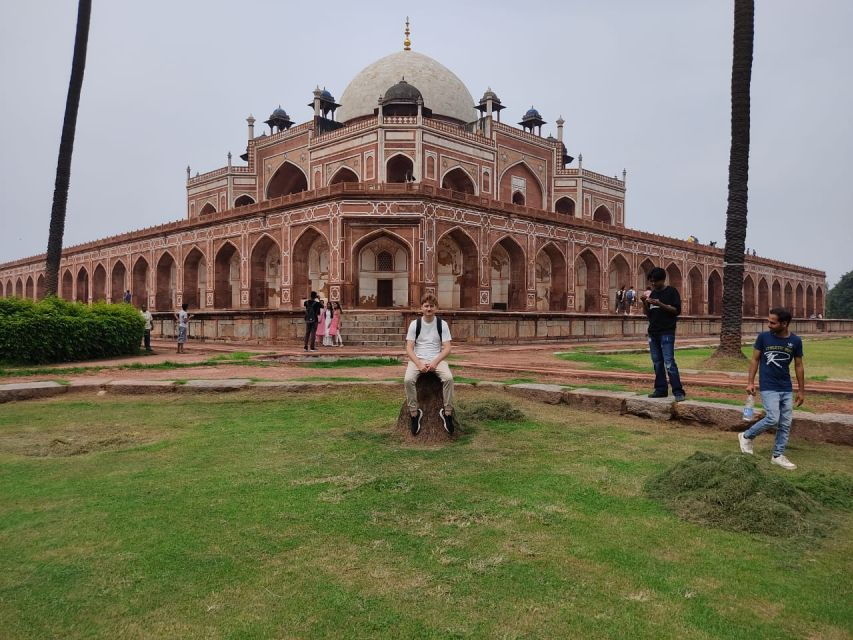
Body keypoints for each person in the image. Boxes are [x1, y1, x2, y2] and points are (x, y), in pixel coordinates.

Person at [738, 307, 805, 470]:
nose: (768, 325)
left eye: (772, 323)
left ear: (784, 324)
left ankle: (777, 455)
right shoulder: (763, 337)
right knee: (773, 418)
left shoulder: (795, 341)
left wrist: (801, 390)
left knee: (785, 423)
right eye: (768, 321)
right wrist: (750, 382)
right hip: (768, 385)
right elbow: (755, 360)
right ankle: (746, 436)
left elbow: (798, 365)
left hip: (786, 387)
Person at [404, 293, 455, 436]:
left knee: (448, 378)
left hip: (436, 359)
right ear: (421, 307)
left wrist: (435, 362)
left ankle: (447, 413)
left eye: (431, 306)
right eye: (426, 306)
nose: (429, 309)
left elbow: (447, 348)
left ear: (436, 308)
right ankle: (414, 414)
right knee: (408, 380)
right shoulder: (415, 324)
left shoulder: (441, 324)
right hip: (418, 359)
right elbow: (409, 348)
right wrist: (418, 363)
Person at [640, 267, 686, 401]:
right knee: (657, 363)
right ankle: (660, 389)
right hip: (653, 332)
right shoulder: (653, 293)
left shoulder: (671, 292)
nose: (653, 283)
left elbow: (676, 310)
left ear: (663, 280)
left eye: (655, 281)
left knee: (669, 362)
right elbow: (648, 314)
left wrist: (660, 304)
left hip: (667, 332)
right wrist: (644, 303)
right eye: (651, 281)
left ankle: (678, 392)